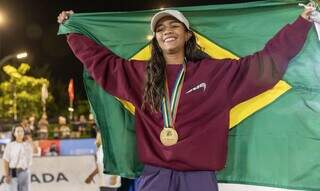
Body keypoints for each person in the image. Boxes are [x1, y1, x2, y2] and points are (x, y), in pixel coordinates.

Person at [58, 4, 315, 191]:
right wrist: (72, 31)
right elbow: (101, 63)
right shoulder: (141, 75)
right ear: (156, 39)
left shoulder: (214, 74)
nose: (166, 31)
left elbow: (264, 64)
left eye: (173, 25)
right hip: (155, 176)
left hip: (199, 177)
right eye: (160, 28)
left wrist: (301, 23)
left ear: (188, 34)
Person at [2, 126, 33, 191]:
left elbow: (30, 159)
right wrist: (6, 175)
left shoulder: (28, 145)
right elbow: (5, 160)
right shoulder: (10, 145)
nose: (20, 133)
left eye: (22, 131)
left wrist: (30, 141)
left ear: (24, 133)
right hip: (13, 172)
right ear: (14, 133)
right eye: (18, 131)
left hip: (24, 172)